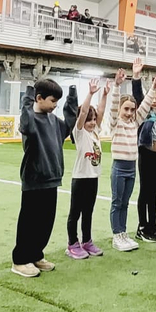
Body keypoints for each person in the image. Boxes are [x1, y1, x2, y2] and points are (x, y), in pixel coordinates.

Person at [11, 78, 78, 278]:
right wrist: (28, 96)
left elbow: (69, 124)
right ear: (38, 98)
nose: (55, 105)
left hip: (52, 179)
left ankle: (36, 254)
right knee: (29, 222)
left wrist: (72, 97)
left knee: (45, 222)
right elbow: (25, 124)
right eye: (52, 101)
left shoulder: (54, 121)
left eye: (58, 101)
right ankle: (20, 259)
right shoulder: (30, 120)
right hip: (33, 180)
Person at [107, 68, 154, 251]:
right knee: (117, 201)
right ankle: (116, 234)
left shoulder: (135, 122)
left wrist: (153, 88)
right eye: (125, 109)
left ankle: (123, 233)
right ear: (120, 109)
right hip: (119, 167)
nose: (129, 112)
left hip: (131, 168)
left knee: (125, 203)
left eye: (131, 110)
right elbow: (112, 108)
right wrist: (117, 86)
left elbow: (145, 106)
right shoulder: (115, 123)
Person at [66, 78, 110, 259]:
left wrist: (104, 95)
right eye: (89, 120)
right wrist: (90, 93)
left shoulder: (95, 133)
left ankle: (87, 241)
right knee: (75, 213)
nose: (92, 122)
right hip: (80, 178)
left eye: (93, 120)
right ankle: (72, 244)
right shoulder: (80, 132)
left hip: (93, 178)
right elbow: (84, 111)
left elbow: (99, 112)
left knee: (88, 212)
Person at [131, 58, 156, 242]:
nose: (154, 101)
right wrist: (136, 76)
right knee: (145, 190)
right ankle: (142, 225)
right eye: (153, 97)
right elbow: (138, 96)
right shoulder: (144, 113)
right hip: (146, 154)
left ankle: (153, 225)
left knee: (154, 191)